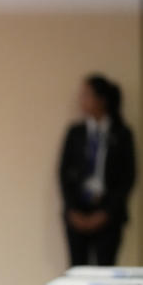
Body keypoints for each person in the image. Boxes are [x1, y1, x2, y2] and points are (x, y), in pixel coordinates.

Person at [58, 74, 136, 266]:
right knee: (77, 267)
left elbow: (128, 177)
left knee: (105, 266)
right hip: (78, 209)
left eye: (86, 95)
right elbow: (63, 173)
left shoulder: (122, 134)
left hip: (107, 212)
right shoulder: (75, 133)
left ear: (102, 99)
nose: (81, 100)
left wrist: (106, 212)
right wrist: (72, 210)